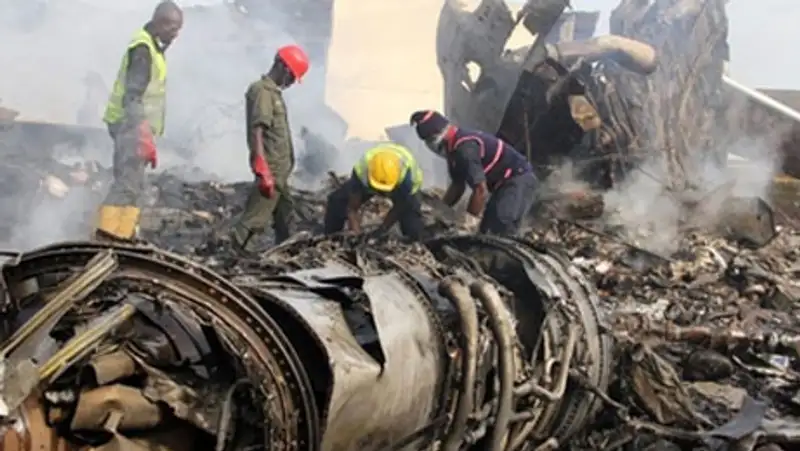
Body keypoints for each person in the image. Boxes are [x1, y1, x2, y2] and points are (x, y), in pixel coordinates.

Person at [95, 1, 183, 240]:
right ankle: (104, 239)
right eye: (174, 28)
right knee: (126, 186)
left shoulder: (153, 47)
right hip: (129, 126)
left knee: (134, 187)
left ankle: (122, 239)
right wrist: (143, 136)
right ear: (160, 22)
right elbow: (132, 97)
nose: (176, 34)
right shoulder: (143, 49)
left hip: (135, 128)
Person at [229, 45, 310, 251]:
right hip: (271, 169)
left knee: (285, 213)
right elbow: (258, 128)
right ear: (282, 67)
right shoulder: (262, 91)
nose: (291, 82)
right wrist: (261, 164)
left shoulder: (274, 93)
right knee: (255, 217)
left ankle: (284, 251)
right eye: (291, 76)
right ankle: (232, 252)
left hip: (280, 170)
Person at [409, 110, 538, 236]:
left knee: (500, 225)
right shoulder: (453, 149)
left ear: (438, 135)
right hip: (503, 184)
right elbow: (457, 186)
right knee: (486, 230)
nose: (428, 145)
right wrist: (440, 211)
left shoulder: (464, 149)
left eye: (429, 140)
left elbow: (480, 190)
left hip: (518, 179)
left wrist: (468, 223)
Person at [324, 143, 424, 239]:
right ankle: (330, 236)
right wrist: (356, 232)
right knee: (337, 202)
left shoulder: (407, 180)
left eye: (384, 190)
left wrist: (382, 229)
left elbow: (399, 207)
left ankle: (414, 244)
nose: (381, 193)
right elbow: (352, 208)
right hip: (376, 181)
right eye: (378, 189)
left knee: (412, 222)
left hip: (399, 187)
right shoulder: (361, 171)